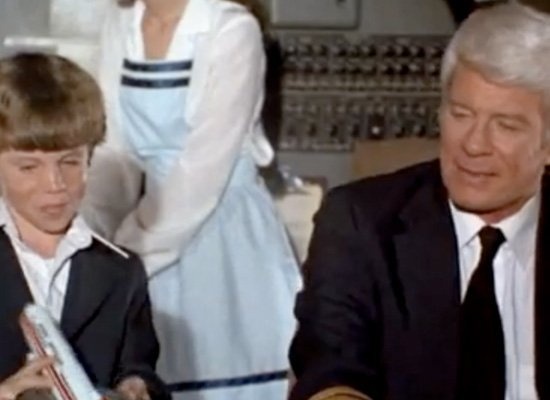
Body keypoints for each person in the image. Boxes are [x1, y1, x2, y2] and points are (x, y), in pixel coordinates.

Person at [289, 2, 550, 400]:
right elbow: (330, 362)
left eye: (506, 126)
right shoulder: (360, 223)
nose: (474, 144)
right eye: (461, 114)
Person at [82, 0, 301, 399]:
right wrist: (88, 234)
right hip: (146, 223)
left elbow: (204, 167)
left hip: (220, 238)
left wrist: (131, 252)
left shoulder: (232, 29)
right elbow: (116, 155)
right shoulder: (120, 25)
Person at [0, 52, 169, 400]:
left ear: (90, 157)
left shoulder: (122, 272)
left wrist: (136, 389)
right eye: (28, 167)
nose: (55, 184)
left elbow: (139, 369)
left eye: (70, 162)